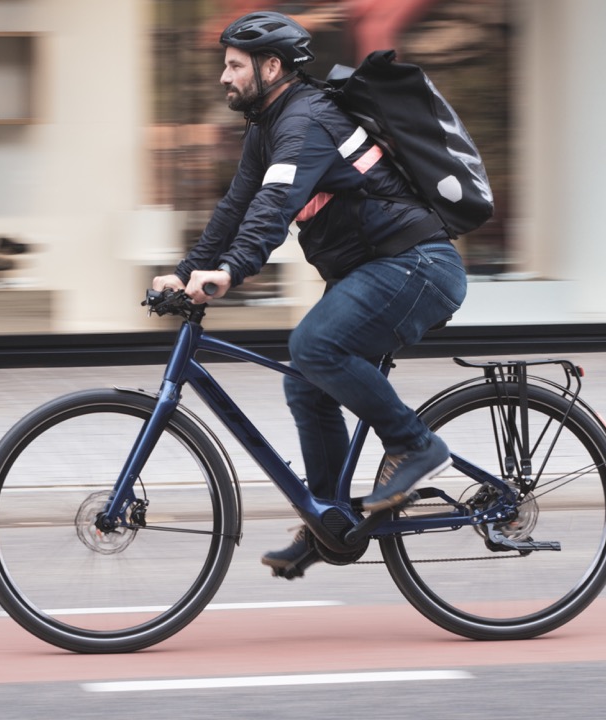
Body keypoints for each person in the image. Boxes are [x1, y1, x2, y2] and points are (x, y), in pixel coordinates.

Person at [151, 11, 468, 577]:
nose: (223, 77)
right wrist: (187, 271)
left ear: (271, 67)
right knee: (307, 384)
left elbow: (272, 210)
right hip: (376, 271)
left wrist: (230, 272)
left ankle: (414, 444)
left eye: (233, 66)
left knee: (315, 346)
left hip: (416, 265)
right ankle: (330, 520)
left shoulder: (306, 121)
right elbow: (235, 210)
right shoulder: (267, 127)